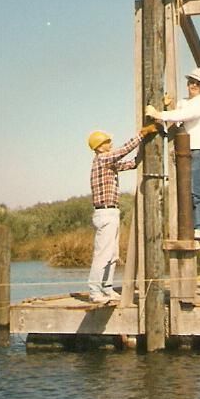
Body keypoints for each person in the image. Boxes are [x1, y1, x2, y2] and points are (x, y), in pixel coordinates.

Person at [86, 124, 157, 304]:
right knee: (103, 254)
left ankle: (107, 288)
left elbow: (131, 164)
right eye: (107, 142)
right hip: (105, 212)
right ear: (99, 147)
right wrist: (141, 135)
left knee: (112, 254)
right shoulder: (102, 159)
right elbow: (123, 151)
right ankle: (94, 291)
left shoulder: (108, 163)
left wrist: (143, 150)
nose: (110, 144)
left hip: (111, 212)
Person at [145, 67, 200, 240]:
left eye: (198, 83)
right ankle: (185, 225)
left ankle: (199, 226)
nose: (193, 85)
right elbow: (177, 122)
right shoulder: (183, 102)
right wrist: (166, 107)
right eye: (191, 81)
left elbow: (184, 115)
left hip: (198, 151)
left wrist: (159, 113)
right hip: (182, 152)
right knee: (181, 190)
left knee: (194, 190)